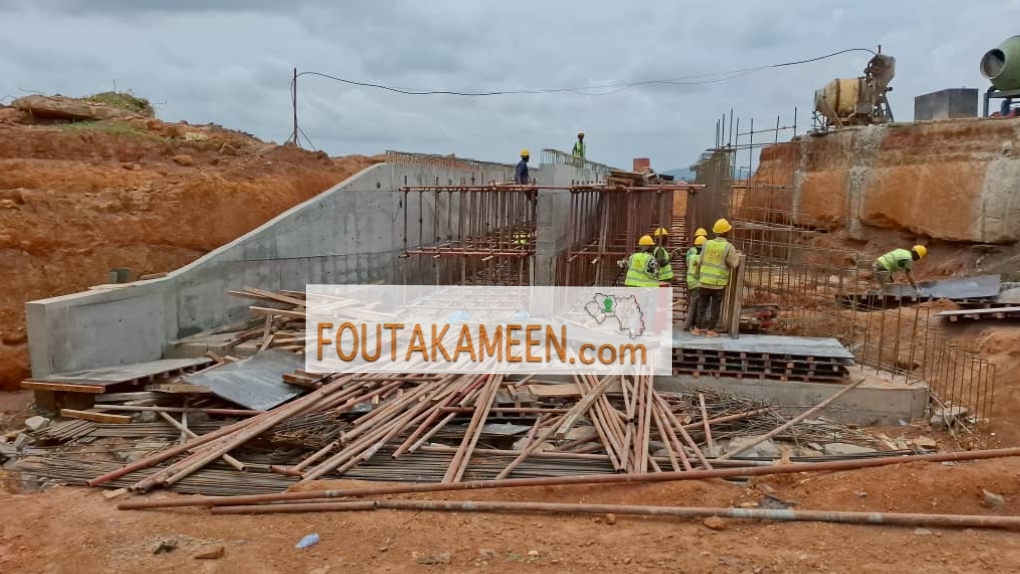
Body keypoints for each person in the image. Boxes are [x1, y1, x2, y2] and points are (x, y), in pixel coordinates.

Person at [692, 218, 741, 338]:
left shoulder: (706, 244)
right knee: (715, 307)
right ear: (726, 232)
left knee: (702, 305)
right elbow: (734, 264)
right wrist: (738, 256)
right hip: (718, 283)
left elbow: (700, 260)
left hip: (704, 281)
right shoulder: (728, 247)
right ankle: (710, 331)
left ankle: (697, 329)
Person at [680, 234, 707, 331]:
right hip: (699, 283)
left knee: (693, 304)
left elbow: (687, 265)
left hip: (691, 282)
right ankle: (690, 326)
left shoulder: (691, 255)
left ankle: (690, 325)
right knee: (697, 306)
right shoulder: (703, 257)